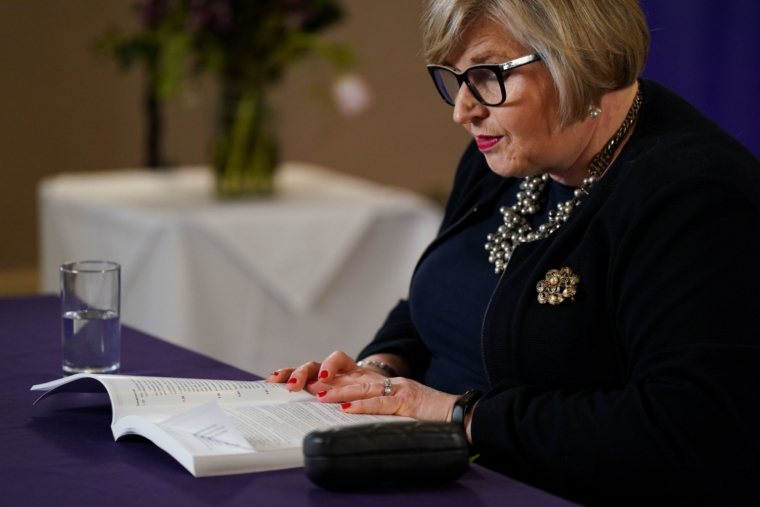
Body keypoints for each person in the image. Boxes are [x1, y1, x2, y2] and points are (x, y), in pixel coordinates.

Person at [268, 0, 760, 504]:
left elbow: (687, 435)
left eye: (485, 75)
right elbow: (441, 298)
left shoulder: (694, 195)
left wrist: (458, 414)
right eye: (454, 79)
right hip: (444, 470)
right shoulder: (503, 153)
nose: (463, 110)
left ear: (579, 60)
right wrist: (377, 374)